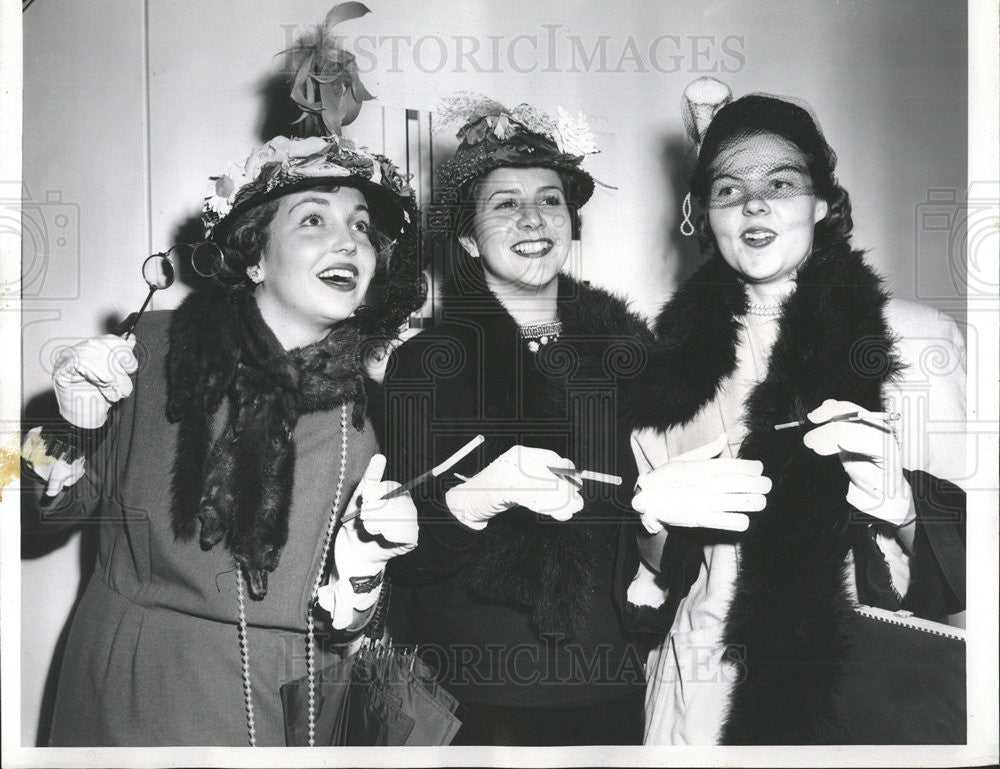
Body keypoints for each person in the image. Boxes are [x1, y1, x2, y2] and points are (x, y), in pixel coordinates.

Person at [372, 95, 766, 746]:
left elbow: (659, 554)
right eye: (505, 203)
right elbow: (403, 551)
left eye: (550, 200)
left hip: (608, 688)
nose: (532, 217)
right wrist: (474, 497)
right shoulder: (425, 364)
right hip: (466, 696)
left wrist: (659, 526)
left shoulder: (627, 352)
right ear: (468, 237)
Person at [20, 134, 427, 746]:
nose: (349, 241)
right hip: (139, 693)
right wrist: (66, 426)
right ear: (255, 256)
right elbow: (32, 516)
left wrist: (364, 582)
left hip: (297, 703)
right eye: (314, 218)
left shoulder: (376, 410)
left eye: (362, 227)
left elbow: (348, 626)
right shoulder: (153, 351)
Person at [626, 79, 967, 745]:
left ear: (822, 203)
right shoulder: (664, 371)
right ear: (702, 213)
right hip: (699, 700)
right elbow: (658, 568)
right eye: (727, 188)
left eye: (780, 182)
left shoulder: (915, 342)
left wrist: (903, 509)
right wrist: (650, 516)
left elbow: (974, 559)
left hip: (861, 696)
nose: (752, 200)